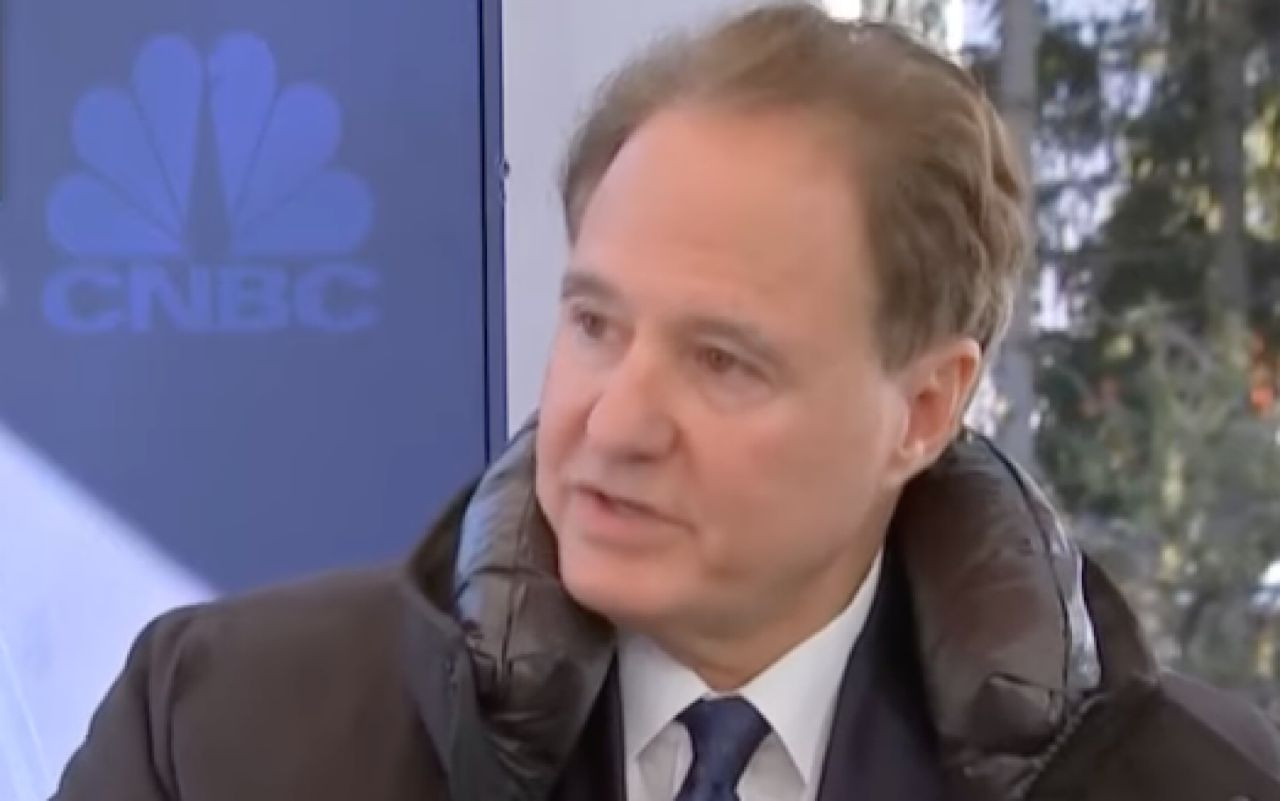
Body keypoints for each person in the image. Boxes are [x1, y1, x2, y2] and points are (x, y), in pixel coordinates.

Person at [53, 4, 1280, 800]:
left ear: (921, 407)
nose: (614, 423)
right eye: (594, 325)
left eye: (722, 361)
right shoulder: (218, 732)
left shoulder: (1189, 782)